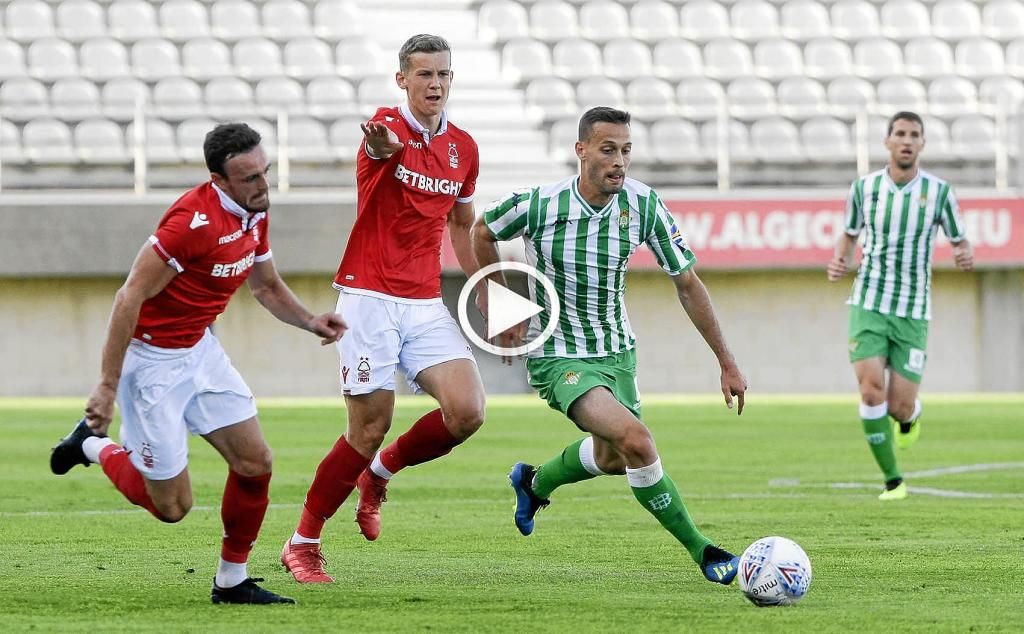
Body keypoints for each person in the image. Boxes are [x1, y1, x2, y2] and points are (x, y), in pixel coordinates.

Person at [49, 123, 347, 604]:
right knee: (172, 507)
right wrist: (106, 386)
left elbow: (266, 286)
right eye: (249, 177)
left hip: (201, 351)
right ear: (219, 180)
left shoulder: (254, 211)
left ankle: (231, 581)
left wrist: (310, 320)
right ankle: (92, 445)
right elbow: (128, 297)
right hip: (151, 365)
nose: (263, 185)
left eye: (265, 171)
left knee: (255, 462)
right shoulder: (191, 224)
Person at [472, 106, 748, 586]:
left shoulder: (643, 204)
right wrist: (496, 298)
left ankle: (533, 482)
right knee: (637, 442)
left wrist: (726, 360)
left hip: (618, 353)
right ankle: (703, 550)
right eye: (607, 150)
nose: (619, 161)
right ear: (581, 151)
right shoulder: (540, 204)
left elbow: (687, 282)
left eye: (625, 151)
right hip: (558, 354)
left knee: (613, 459)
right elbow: (482, 230)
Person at [280, 34, 486, 583]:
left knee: (467, 412)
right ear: (402, 80)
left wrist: (483, 286)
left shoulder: (464, 148)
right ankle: (303, 542)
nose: (435, 84)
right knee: (369, 425)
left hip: (423, 301)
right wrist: (381, 147)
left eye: (443, 74)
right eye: (424, 74)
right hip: (369, 299)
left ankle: (379, 473)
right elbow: (379, 147)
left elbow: (461, 224)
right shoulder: (385, 127)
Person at [828, 110, 973, 501]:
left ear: (922, 143)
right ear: (887, 141)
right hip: (869, 301)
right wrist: (840, 258)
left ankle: (910, 416)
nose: (907, 141)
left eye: (914, 135)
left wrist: (964, 252)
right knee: (870, 391)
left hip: (913, 310)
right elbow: (849, 234)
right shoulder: (865, 188)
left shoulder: (940, 192)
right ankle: (894, 481)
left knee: (898, 406)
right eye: (901, 134)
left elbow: (959, 238)